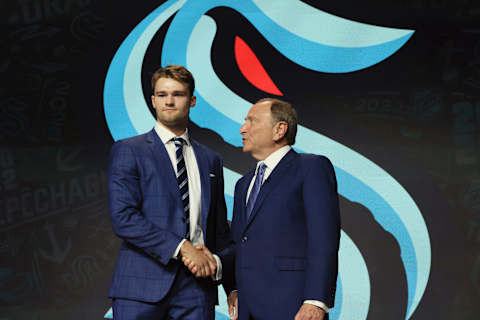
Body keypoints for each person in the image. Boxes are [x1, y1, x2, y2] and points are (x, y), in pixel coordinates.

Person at [108, 65, 232, 319]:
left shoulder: (211, 160)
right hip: (141, 286)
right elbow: (124, 218)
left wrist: (232, 285)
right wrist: (182, 247)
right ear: (153, 100)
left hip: (198, 289)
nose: (169, 101)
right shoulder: (129, 150)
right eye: (162, 95)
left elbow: (219, 230)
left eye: (178, 94)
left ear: (192, 100)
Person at [226, 98, 340, 320]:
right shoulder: (244, 184)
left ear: (279, 129)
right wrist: (232, 285)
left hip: (293, 306)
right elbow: (239, 243)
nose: (242, 128)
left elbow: (324, 237)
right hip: (248, 309)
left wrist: (316, 301)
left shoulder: (311, 167)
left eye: (252, 121)